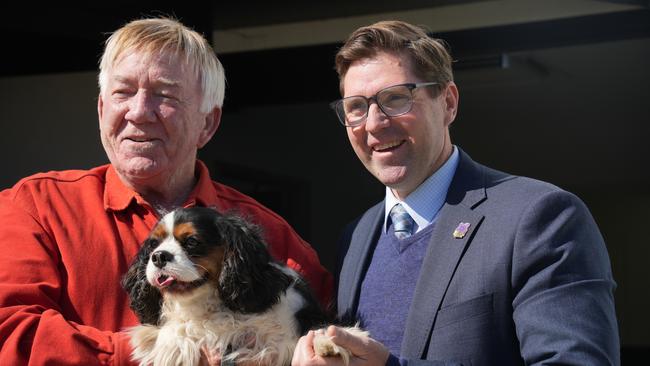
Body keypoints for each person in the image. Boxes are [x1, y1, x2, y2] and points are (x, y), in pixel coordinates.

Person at [0, 17, 333, 365]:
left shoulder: (275, 237)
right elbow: (9, 333)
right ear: (101, 110)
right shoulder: (34, 209)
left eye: (165, 95)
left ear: (207, 123)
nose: (139, 112)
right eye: (123, 92)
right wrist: (156, 353)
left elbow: (326, 340)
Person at [293, 20, 619, 366]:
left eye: (396, 98)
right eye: (356, 107)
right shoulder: (355, 237)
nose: (374, 123)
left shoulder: (540, 217)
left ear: (448, 103)